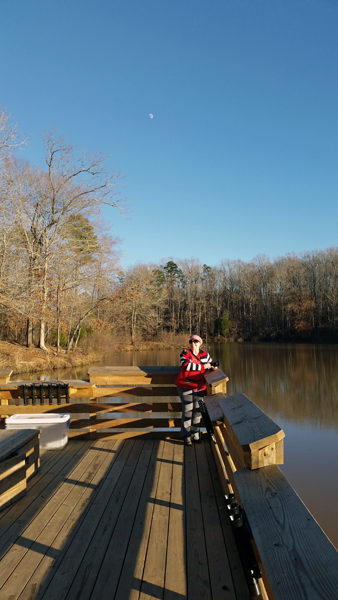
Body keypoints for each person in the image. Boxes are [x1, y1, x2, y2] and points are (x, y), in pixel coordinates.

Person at [175, 334, 215, 445]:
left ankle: (195, 433)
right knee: (188, 410)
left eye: (196, 341)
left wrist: (212, 367)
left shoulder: (205, 355)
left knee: (197, 411)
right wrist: (203, 367)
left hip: (199, 387)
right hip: (185, 386)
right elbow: (186, 366)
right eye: (191, 341)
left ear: (200, 343)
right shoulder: (185, 353)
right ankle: (187, 436)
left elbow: (210, 364)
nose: (193, 343)